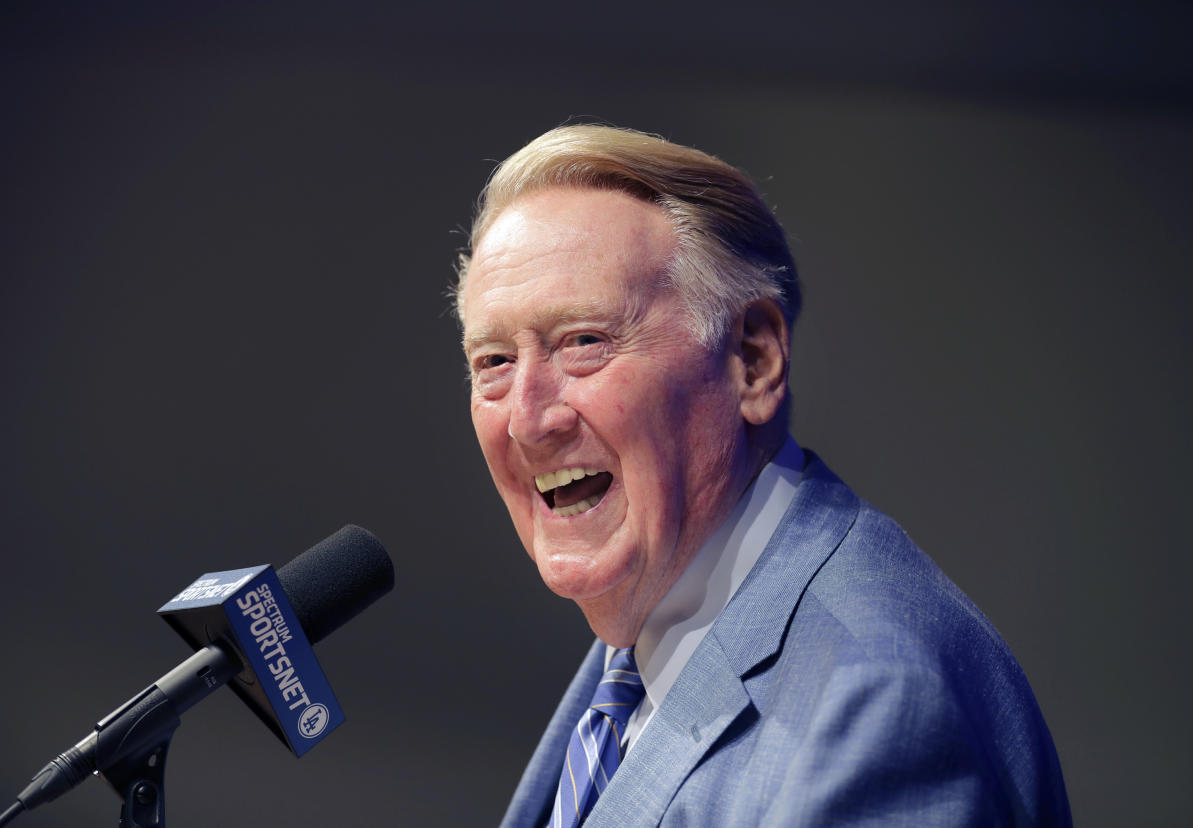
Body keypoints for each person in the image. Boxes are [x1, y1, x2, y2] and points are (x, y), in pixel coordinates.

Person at [455, 125, 1071, 827]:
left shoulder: (876, 706)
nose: (528, 421)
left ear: (751, 361)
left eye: (584, 341)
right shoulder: (644, 640)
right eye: (493, 362)